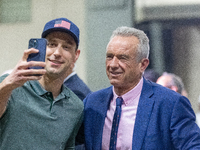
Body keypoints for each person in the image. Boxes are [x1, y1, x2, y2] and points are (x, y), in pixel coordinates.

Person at [83, 26, 200, 149]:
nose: (113, 64)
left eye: (123, 58)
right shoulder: (92, 103)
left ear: (143, 65)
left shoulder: (170, 104)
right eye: (110, 56)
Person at [0, 18, 84, 150]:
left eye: (66, 47)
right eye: (51, 44)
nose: (57, 53)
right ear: (39, 48)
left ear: (76, 55)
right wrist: (6, 85)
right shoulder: (10, 86)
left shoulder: (75, 107)